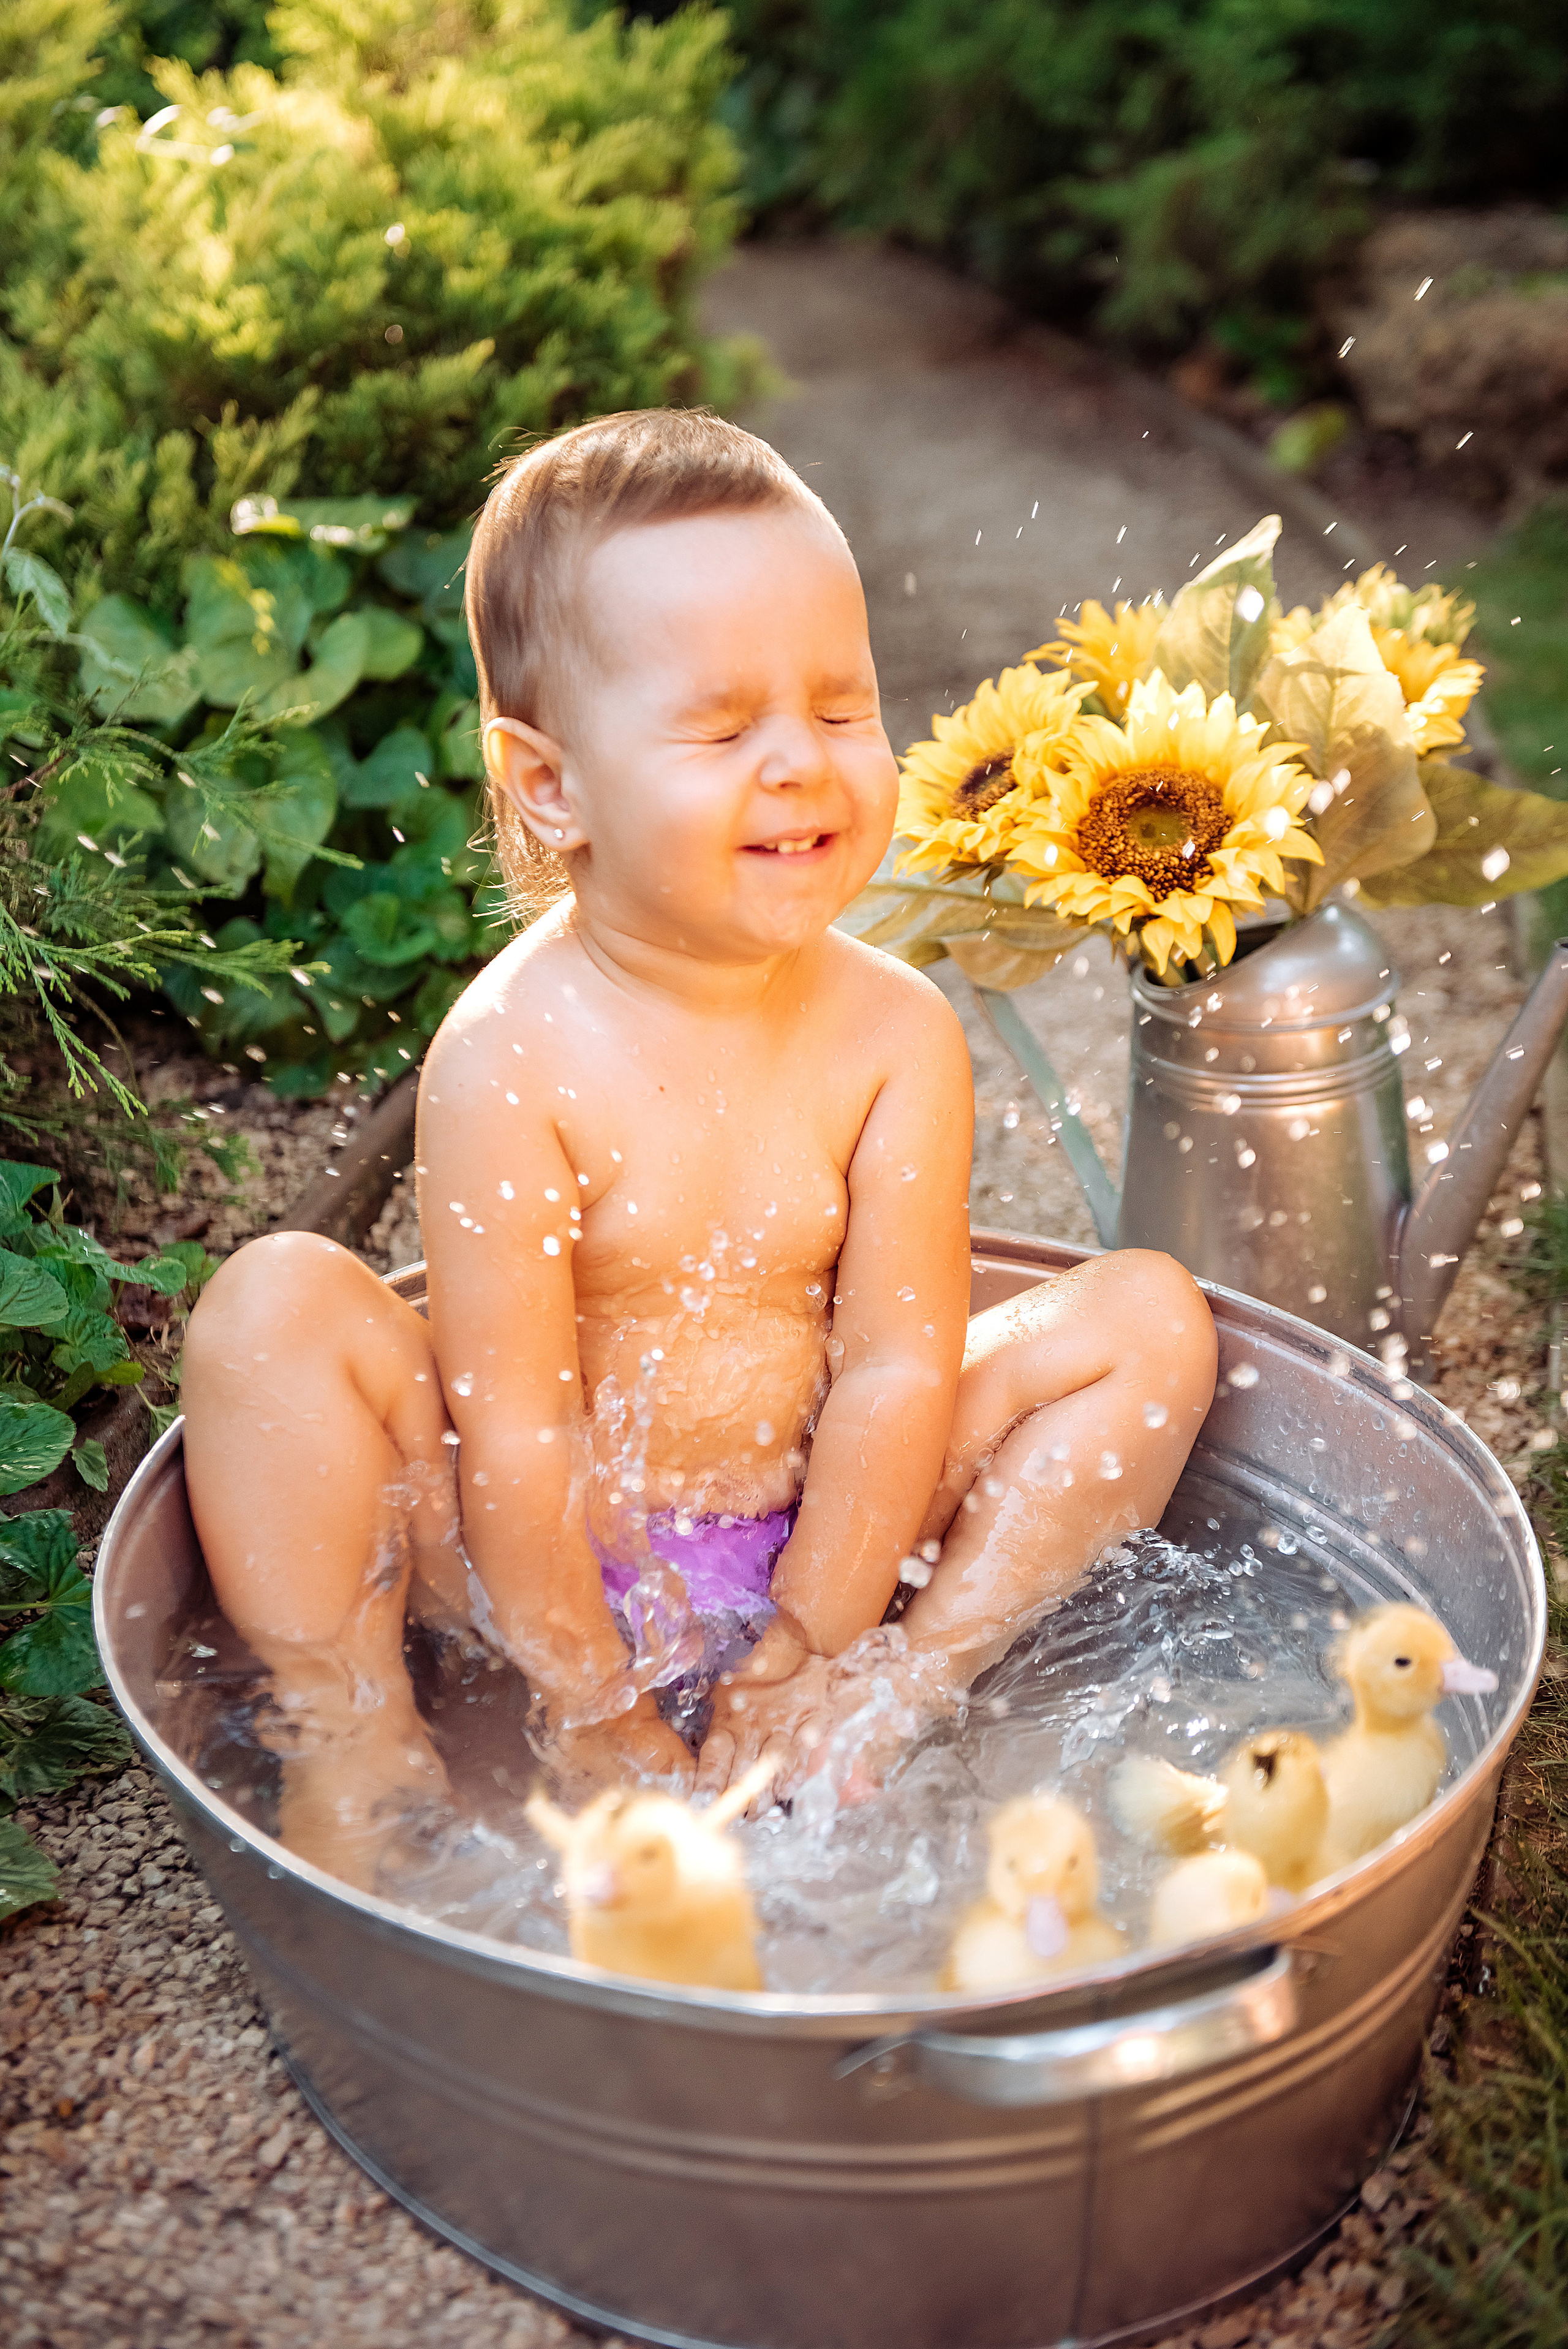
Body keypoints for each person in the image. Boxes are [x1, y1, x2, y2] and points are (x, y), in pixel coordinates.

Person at [183, 410, 1216, 1886]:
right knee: (273, 1309)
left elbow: (896, 1370)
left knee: (1145, 1319)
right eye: (725, 728)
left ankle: (904, 1690)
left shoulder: (895, 1034)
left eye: (843, 708)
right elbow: (521, 1428)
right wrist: (588, 1696)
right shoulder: (509, 1056)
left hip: (829, 1535)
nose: (800, 764)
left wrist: (817, 1637)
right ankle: (352, 1734)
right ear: (550, 784)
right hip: (534, 1563)